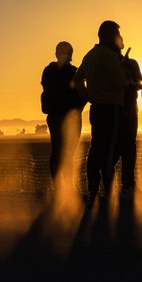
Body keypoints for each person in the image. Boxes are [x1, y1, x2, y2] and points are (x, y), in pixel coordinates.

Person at [73, 20, 125, 204]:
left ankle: (93, 191)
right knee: (110, 150)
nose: (120, 37)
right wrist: (122, 68)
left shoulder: (90, 55)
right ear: (110, 36)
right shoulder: (109, 56)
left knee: (96, 149)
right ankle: (109, 193)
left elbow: (77, 79)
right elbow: (119, 83)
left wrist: (87, 95)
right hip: (111, 108)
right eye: (117, 34)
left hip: (96, 108)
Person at [40, 41, 86, 193]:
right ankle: (64, 188)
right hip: (68, 118)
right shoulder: (73, 72)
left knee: (61, 152)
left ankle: (62, 187)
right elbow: (82, 94)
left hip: (59, 117)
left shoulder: (49, 71)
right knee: (65, 152)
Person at [117, 47, 142, 199]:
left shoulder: (131, 63)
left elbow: (140, 83)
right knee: (114, 150)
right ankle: (112, 188)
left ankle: (129, 185)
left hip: (130, 110)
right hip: (113, 110)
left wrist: (130, 80)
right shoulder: (108, 62)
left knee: (129, 150)